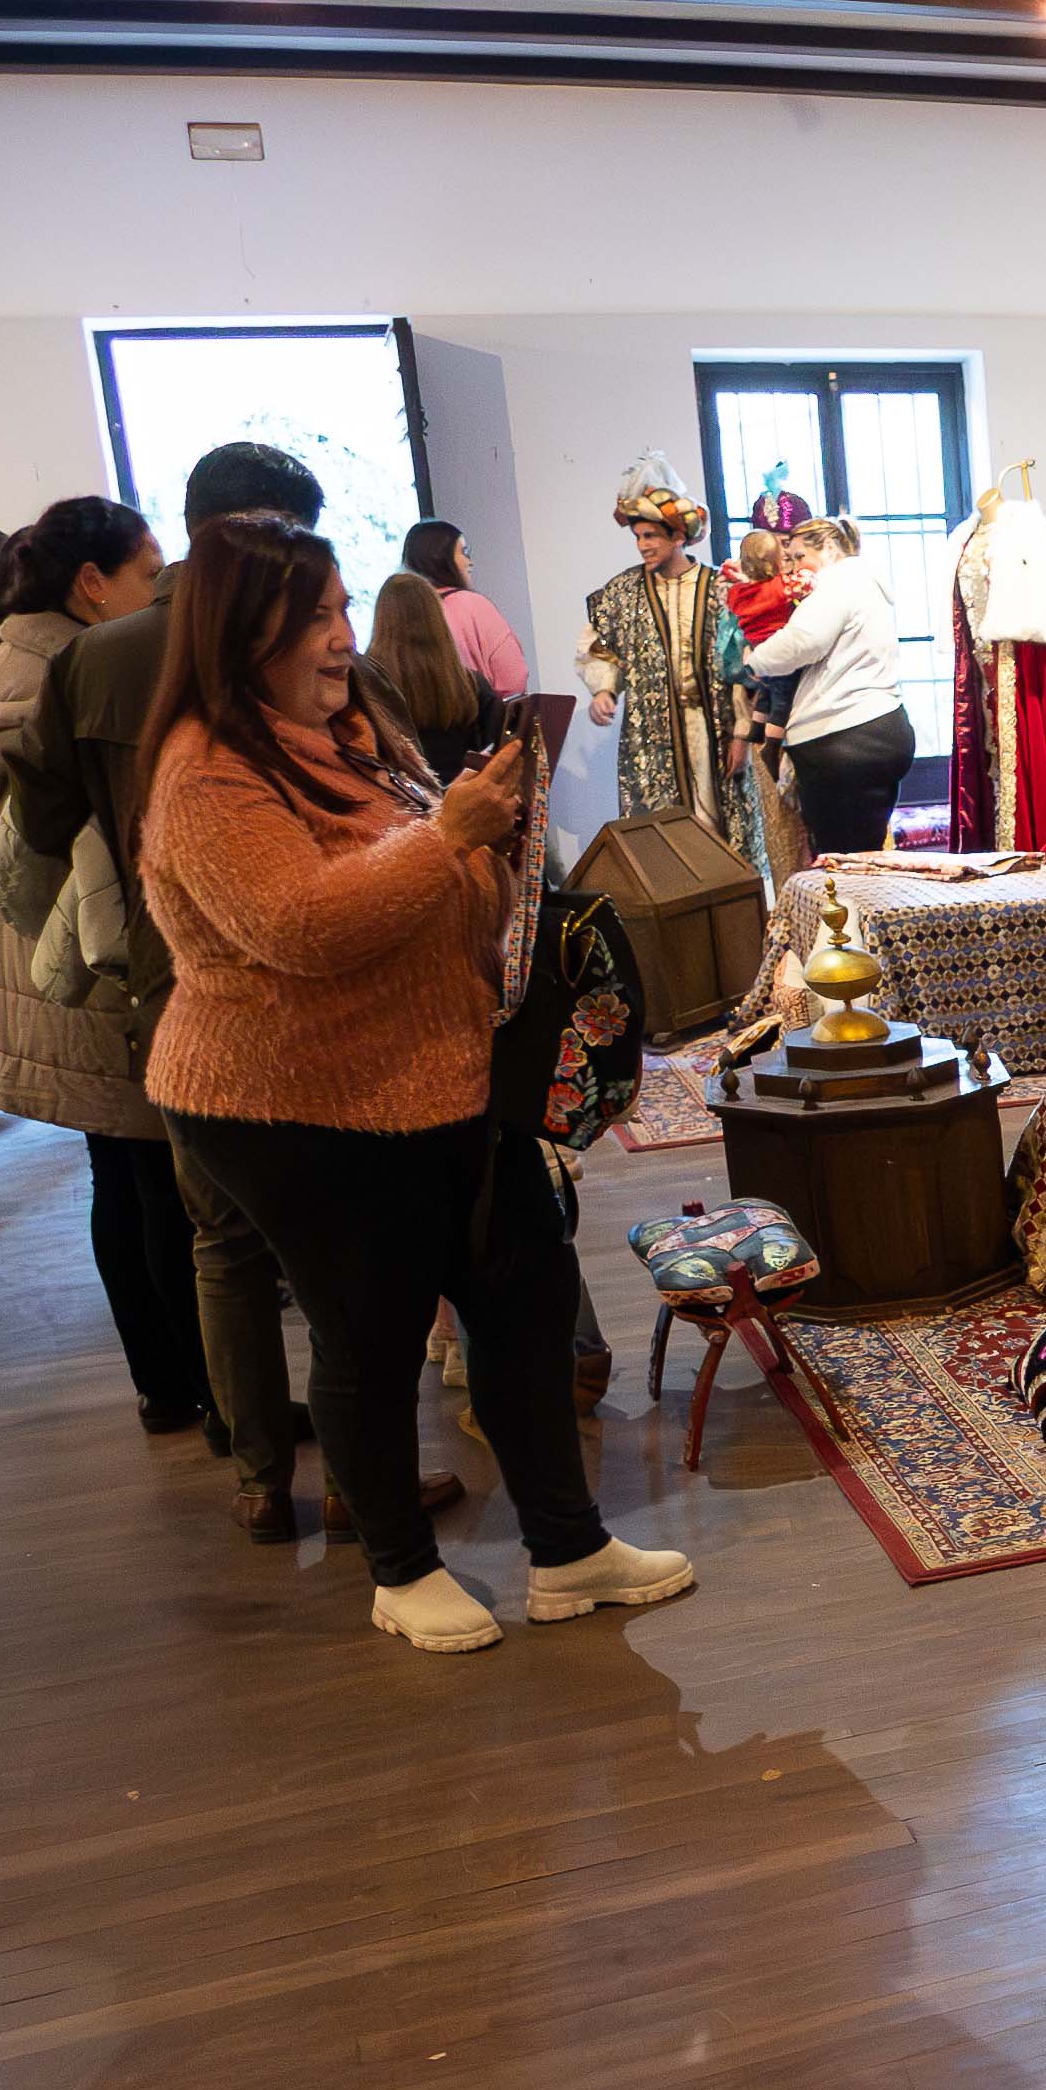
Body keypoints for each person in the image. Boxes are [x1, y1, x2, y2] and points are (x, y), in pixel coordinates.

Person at [135, 513, 687, 1657]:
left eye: (345, 609)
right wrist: (453, 838)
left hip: (435, 1078)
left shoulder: (344, 730)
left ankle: (568, 1549)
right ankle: (400, 1569)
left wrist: (491, 836)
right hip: (297, 1103)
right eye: (320, 616)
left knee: (524, 1297)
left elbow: (423, 877)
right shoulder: (207, 770)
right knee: (370, 1331)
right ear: (248, 632)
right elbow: (297, 926)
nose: (347, 637)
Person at [1, 439, 475, 1549]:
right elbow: (371, 835)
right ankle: (366, 1493)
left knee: (227, 1243)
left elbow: (33, 820)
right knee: (344, 1269)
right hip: (304, 999)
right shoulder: (255, 706)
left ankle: (263, 1474)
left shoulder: (98, 660)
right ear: (256, 540)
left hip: (169, 986)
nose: (332, 617)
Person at [0, 493, 215, 1432]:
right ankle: (204, 1387)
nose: (156, 591)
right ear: (93, 584)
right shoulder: (54, 664)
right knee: (151, 1187)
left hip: (48, 959)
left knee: (125, 1178)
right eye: (147, 573)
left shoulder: (18, 654)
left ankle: (170, 1387)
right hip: (85, 963)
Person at [581, 465, 758, 867]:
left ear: (678, 536)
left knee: (720, 837)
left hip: (712, 729)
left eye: (651, 536)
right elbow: (598, 646)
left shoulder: (719, 589)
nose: (642, 546)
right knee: (667, 847)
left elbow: (741, 668)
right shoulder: (623, 593)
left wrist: (741, 735)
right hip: (652, 736)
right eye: (638, 537)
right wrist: (605, 689)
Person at [753, 519, 918, 864]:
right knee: (865, 856)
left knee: (841, 864)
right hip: (882, 725)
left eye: (800, 556)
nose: (795, 566)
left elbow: (803, 641)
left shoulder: (838, 582)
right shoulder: (865, 583)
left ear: (829, 549)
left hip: (843, 736)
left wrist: (755, 660)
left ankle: (854, 918)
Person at [367, 571, 506, 783]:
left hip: (401, 807)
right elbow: (496, 756)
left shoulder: (366, 690)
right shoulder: (472, 686)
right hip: (467, 803)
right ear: (437, 620)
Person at [402, 519, 524, 703]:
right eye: (464, 552)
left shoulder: (402, 612)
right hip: (479, 726)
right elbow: (513, 679)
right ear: (441, 557)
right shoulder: (473, 606)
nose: (471, 562)